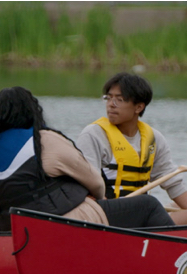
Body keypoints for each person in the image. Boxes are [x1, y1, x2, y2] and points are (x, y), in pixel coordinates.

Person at [0, 86, 174, 232]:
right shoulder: (44, 140)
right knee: (148, 206)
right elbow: (94, 179)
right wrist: (101, 201)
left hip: (19, 235)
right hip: (77, 225)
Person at [76, 72, 187, 224]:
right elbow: (87, 185)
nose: (111, 104)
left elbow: (173, 183)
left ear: (139, 107)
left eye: (119, 99)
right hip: (102, 212)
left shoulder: (154, 139)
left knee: (174, 207)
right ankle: (167, 244)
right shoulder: (94, 135)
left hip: (137, 213)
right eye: (108, 98)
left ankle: (165, 241)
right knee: (149, 203)